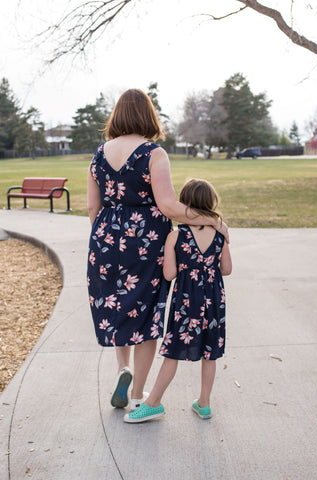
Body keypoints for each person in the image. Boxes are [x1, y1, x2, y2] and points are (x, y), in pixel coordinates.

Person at [87, 89, 229, 413]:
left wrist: (106, 238)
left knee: (116, 307)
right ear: (148, 115)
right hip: (145, 242)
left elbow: (92, 208)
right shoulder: (154, 153)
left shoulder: (98, 155)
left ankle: (121, 369)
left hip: (105, 241)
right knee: (146, 316)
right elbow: (167, 205)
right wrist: (211, 219)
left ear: (117, 115)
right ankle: (137, 393)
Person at [124, 178, 232, 423]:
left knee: (173, 352)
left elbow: (169, 274)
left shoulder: (176, 236)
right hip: (214, 299)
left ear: (185, 204)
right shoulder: (220, 233)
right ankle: (204, 404)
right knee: (210, 353)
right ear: (210, 203)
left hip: (186, 301)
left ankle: (153, 403)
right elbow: (226, 269)